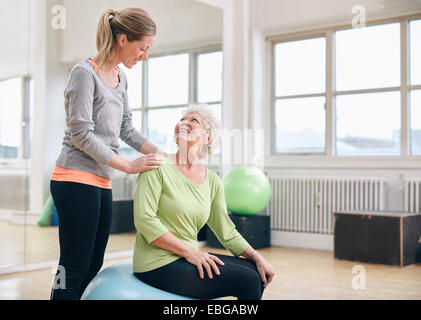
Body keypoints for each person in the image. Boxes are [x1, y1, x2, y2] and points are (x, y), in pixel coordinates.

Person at [50, 8, 164, 300]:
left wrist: (163, 155)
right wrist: (128, 165)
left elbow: (126, 129)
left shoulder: (120, 78)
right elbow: (81, 134)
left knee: (92, 264)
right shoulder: (84, 73)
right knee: (72, 267)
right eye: (143, 48)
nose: (144, 56)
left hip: (101, 182)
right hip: (74, 179)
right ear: (123, 39)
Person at [133, 105, 275, 300]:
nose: (184, 123)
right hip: (157, 262)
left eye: (194, 120)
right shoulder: (156, 165)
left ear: (208, 138)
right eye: (182, 120)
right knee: (247, 280)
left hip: (187, 257)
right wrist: (190, 252)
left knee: (256, 273)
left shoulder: (212, 181)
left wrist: (257, 257)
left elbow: (226, 231)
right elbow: (144, 220)